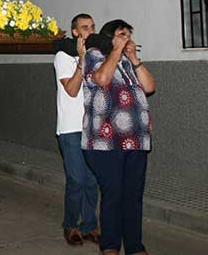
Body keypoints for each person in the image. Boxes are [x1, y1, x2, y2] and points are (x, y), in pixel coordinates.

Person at [82, 20, 156, 255]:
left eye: (129, 35)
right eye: (121, 34)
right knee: (113, 194)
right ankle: (110, 246)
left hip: (136, 140)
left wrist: (134, 59)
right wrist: (115, 50)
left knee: (133, 197)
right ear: (109, 37)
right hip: (105, 142)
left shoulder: (128, 61)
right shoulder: (94, 55)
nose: (127, 38)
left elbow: (150, 87)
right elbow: (102, 80)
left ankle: (135, 247)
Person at [53, 13, 101, 246]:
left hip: (93, 127)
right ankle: (70, 225)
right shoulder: (63, 56)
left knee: (92, 180)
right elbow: (71, 90)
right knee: (77, 180)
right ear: (75, 32)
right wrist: (81, 61)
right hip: (71, 128)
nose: (90, 30)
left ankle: (90, 226)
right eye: (85, 27)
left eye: (93, 26)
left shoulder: (97, 56)